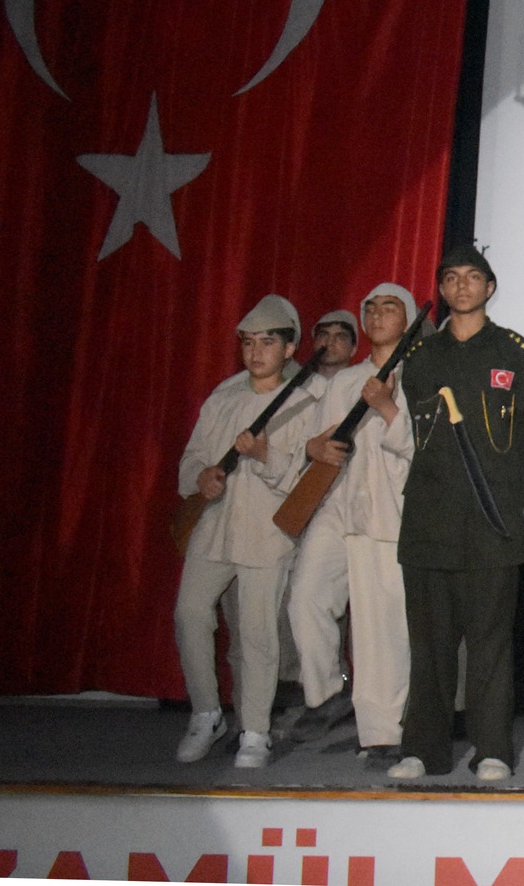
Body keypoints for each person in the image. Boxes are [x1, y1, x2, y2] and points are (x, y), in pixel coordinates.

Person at [389, 247, 524, 782]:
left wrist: (504, 491)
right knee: (429, 648)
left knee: (490, 648)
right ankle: (422, 750)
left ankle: (492, 749)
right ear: (442, 288)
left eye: (473, 277)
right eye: (452, 278)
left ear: (489, 287)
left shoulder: (514, 351)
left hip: (490, 523)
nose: (462, 286)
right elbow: (412, 432)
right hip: (429, 521)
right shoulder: (422, 355)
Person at [171, 294, 323, 769]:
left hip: (266, 532)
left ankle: (255, 730)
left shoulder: (307, 401)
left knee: (258, 633)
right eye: (249, 342)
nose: (256, 352)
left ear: (290, 347)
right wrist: (201, 477)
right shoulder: (223, 397)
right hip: (214, 526)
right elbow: (192, 459)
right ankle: (206, 712)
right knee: (189, 614)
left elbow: (304, 479)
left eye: (267, 342)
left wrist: (262, 456)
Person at [284, 285, 419, 764]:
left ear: (408, 319)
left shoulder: (420, 375)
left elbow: (422, 446)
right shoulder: (345, 380)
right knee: (305, 597)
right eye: (371, 308)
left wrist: (386, 405)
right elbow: (318, 440)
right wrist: (315, 448)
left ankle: (383, 732)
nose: (377, 315)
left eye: (389, 308)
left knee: (381, 626)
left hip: (387, 508)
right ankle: (326, 693)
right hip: (337, 502)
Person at [309, 311, 359, 382]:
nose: (329, 342)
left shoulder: (364, 384)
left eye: (340, 337)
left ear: (353, 349)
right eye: (323, 335)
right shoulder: (299, 384)